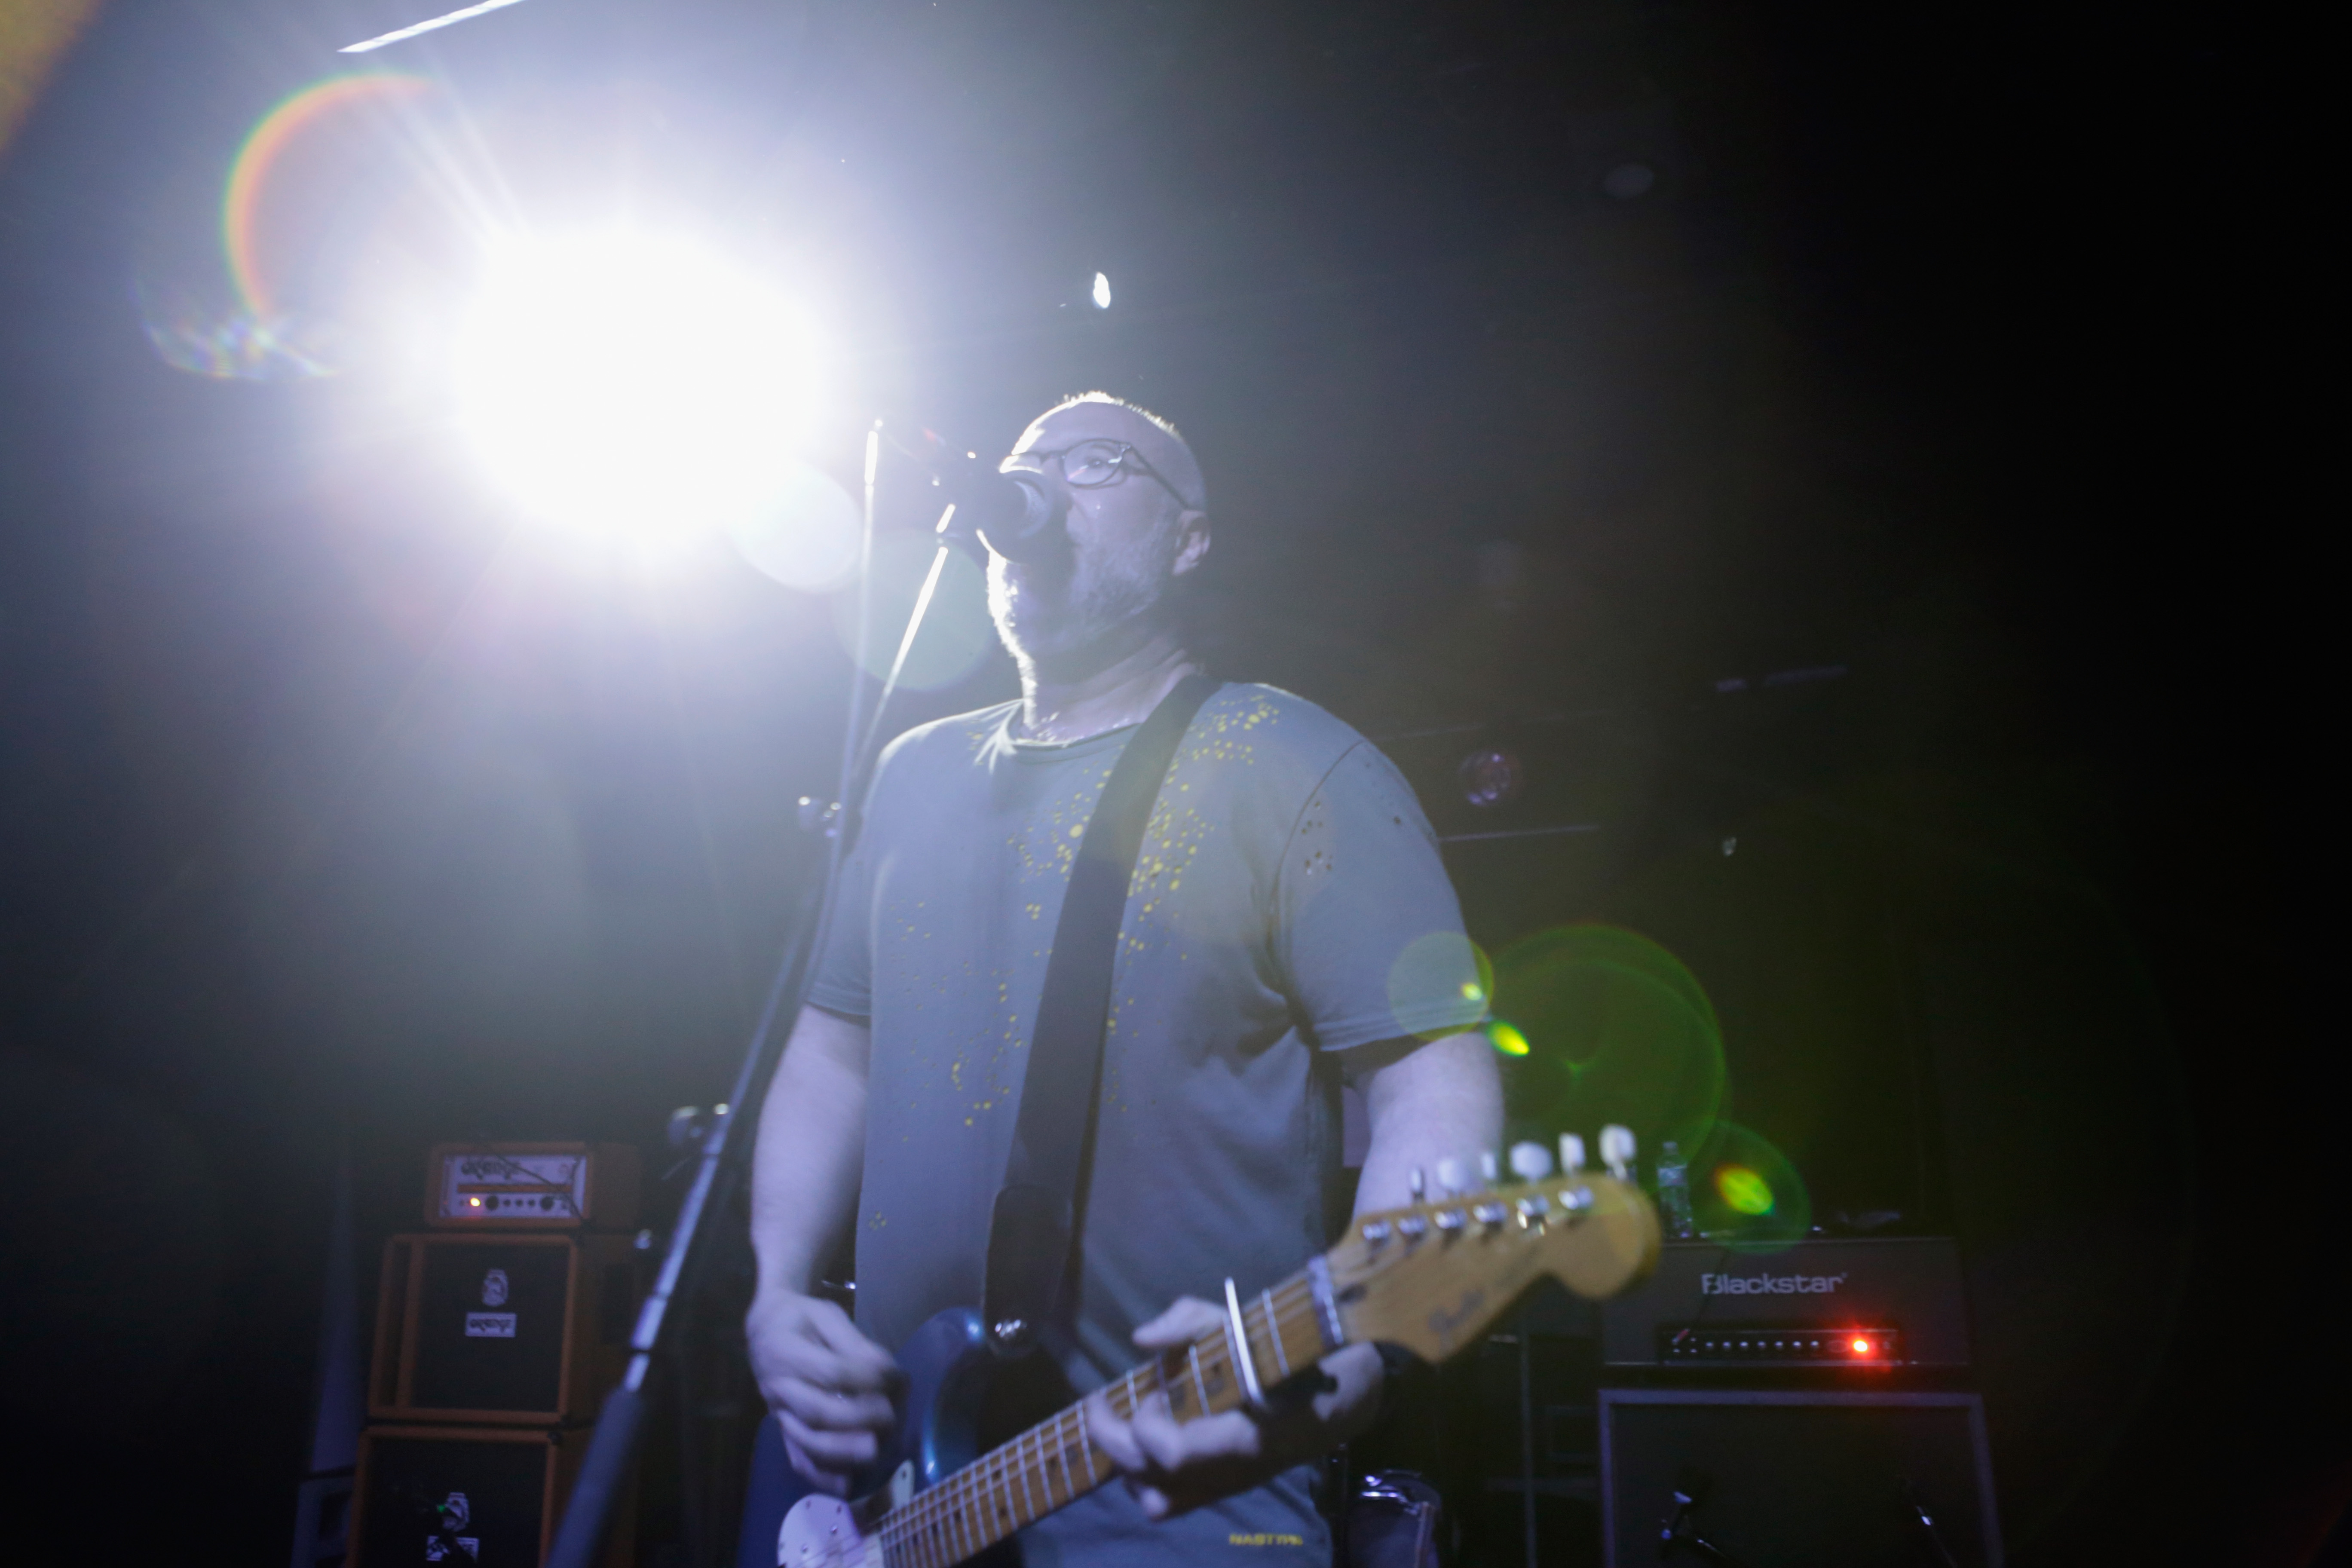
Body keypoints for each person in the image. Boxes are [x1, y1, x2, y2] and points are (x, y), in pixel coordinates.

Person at [743, 392, 1502, 1565]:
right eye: (1027, 462)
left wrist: (1354, 1358)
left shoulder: (1294, 764)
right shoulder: (909, 773)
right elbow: (831, 1057)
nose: (1041, 488)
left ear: (1189, 540)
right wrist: (780, 1292)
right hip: (896, 1504)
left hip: (1185, 1522)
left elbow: (1434, 1085)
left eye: (1096, 465)